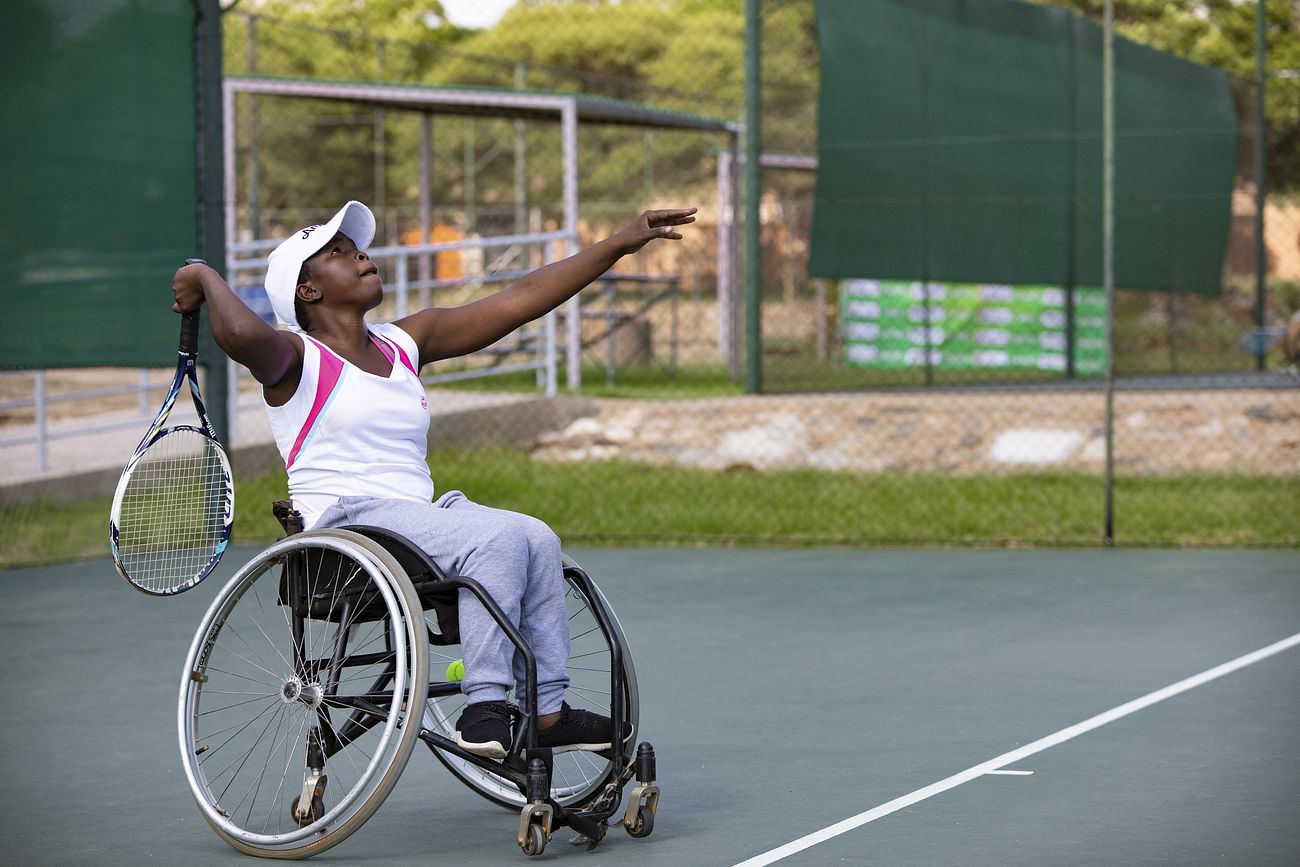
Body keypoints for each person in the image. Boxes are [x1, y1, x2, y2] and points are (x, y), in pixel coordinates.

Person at [172, 200, 695, 758]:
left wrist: (619, 242)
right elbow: (239, 335)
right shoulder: (296, 360)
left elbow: (517, 302)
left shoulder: (402, 346)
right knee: (494, 541)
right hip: (348, 526)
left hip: (417, 519)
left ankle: (547, 711)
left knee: (537, 537)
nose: (361, 256)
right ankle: (486, 707)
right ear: (309, 292)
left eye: (358, 248)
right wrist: (204, 275)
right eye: (339, 254)